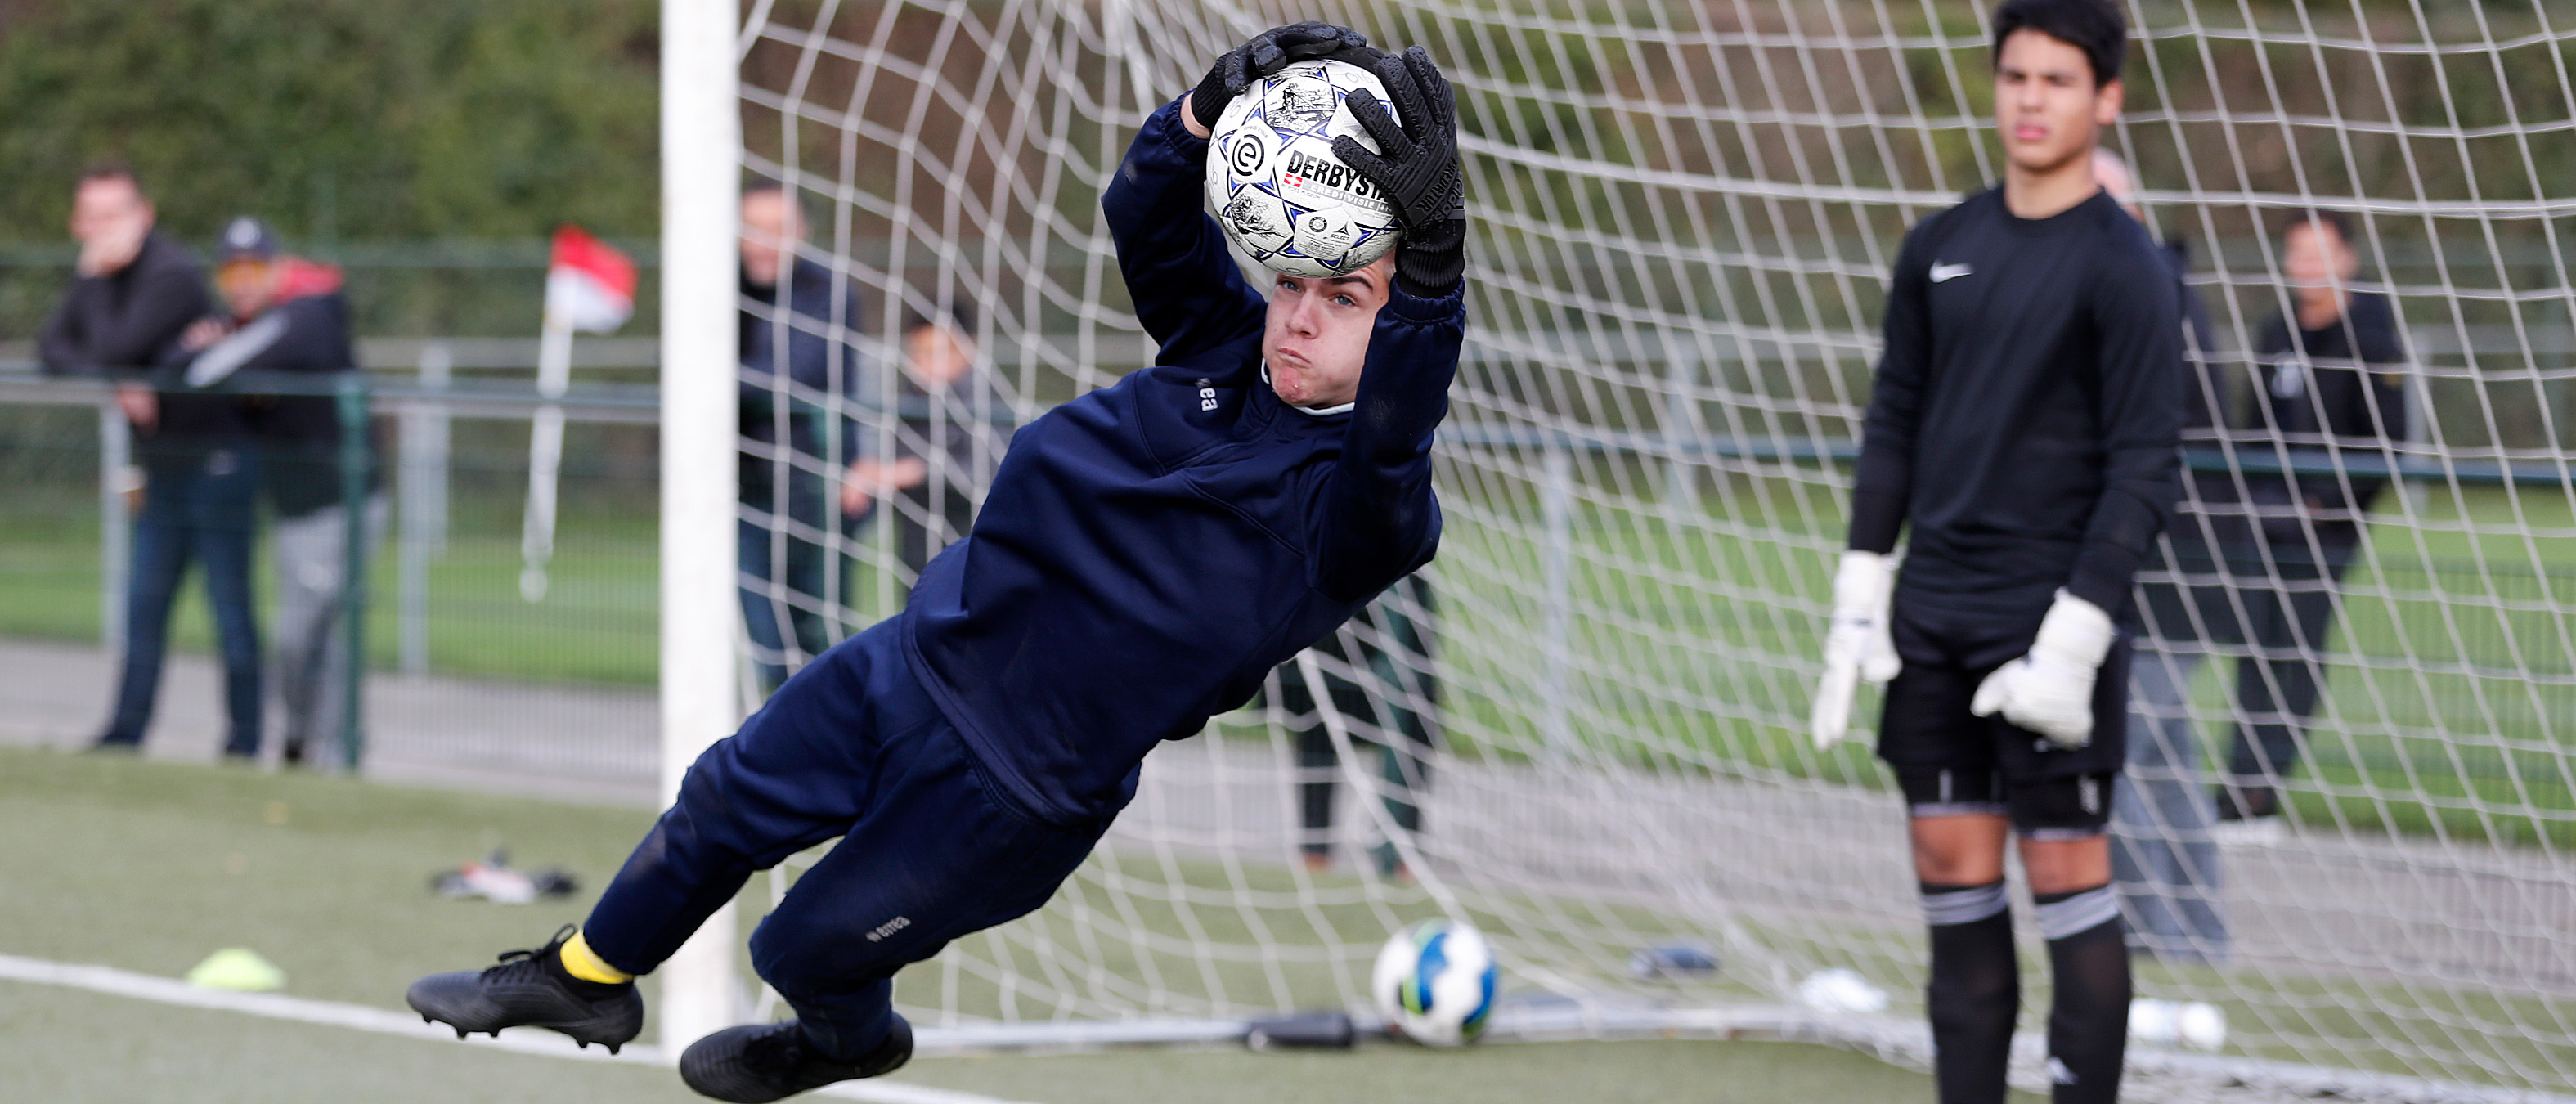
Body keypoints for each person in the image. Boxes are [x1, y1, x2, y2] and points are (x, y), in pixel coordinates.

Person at [407, 24, 1464, 1104]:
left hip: (1013, 788)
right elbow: (1142, 213)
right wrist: (1199, 115)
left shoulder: (1365, 511)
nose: (1295, 318)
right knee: (717, 801)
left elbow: (1397, 421)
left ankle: (846, 1038)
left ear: (1397, 331)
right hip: (912, 660)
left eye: (1344, 300)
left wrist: (1430, 264)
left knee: (798, 949)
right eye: (1291, 282)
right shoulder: (1219, 351)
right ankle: (582, 976)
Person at [1807, 2, 2183, 1102]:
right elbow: (1893, 425)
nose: (2028, 97)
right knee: (1952, 893)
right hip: (1931, 622)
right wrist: (1858, 594)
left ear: (2103, 99)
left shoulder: (2127, 268)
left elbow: (2145, 466)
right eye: (2014, 75)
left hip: (2047, 624)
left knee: (2067, 886)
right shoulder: (1938, 246)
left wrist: (2075, 638)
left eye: (2056, 80)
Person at [38, 163, 263, 760]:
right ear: (77, 222)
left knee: (230, 613)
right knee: (144, 608)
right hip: (162, 470)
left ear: (144, 215)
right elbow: (53, 349)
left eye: (116, 214)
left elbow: (115, 347)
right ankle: (125, 733)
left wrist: (92, 291)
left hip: (218, 465)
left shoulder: (172, 273)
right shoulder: (104, 280)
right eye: (94, 217)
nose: (104, 229)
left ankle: (245, 742)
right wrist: (123, 379)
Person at [2212, 209, 2407, 839]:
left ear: (2346, 258)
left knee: (2296, 652)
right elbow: (2253, 425)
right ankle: (2237, 785)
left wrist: (2327, 502)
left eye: (2318, 252)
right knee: (2254, 650)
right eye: (2295, 252)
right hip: (2263, 520)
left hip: (2324, 529)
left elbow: (2387, 442)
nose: (2306, 265)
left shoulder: (2371, 336)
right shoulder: (2276, 330)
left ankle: (2257, 796)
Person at [2094, 150, 2235, 960]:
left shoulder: (2153, 295)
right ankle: (2200, 935)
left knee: (2114, 756)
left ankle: (2153, 936)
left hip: (2171, 563)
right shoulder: (2152, 289)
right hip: (2158, 565)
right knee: (2171, 763)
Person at [177, 217, 381, 770]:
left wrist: (219, 346)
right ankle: (304, 741)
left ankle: (336, 751)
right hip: (295, 510)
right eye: (232, 271)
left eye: (255, 269)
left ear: (279, 269)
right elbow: (184, 365)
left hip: (346, 504)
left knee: (315, 628)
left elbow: (203, 371)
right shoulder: (251, 324)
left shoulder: (304, 315)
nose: (243, 282)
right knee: (301, 636)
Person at [738, 182, 872, 692]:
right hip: (744, 490)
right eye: (750, 229)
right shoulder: (718, 288)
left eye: (776, 230)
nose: (761, 242)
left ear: (802, 234)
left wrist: (713, 375)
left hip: (819, 490)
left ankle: (838, 758)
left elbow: (796, 374)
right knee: (765, 645)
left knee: (820, 640)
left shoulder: (828, 292)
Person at [1276, 572, 1439, 882]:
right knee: (1317, 710)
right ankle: (1315, 851)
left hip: (1402, 574)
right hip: (1336, 569)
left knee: (1412, 717)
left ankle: (1403, 852)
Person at [855, 305, 1011, 581]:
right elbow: (896, 466)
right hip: (920, 553)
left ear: (968, 349)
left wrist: (917, 470)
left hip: (971, 552)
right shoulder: (912, 400)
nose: (926, 364)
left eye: (938, 353)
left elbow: (990, 472)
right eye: (919, 353)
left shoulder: (986, 403)